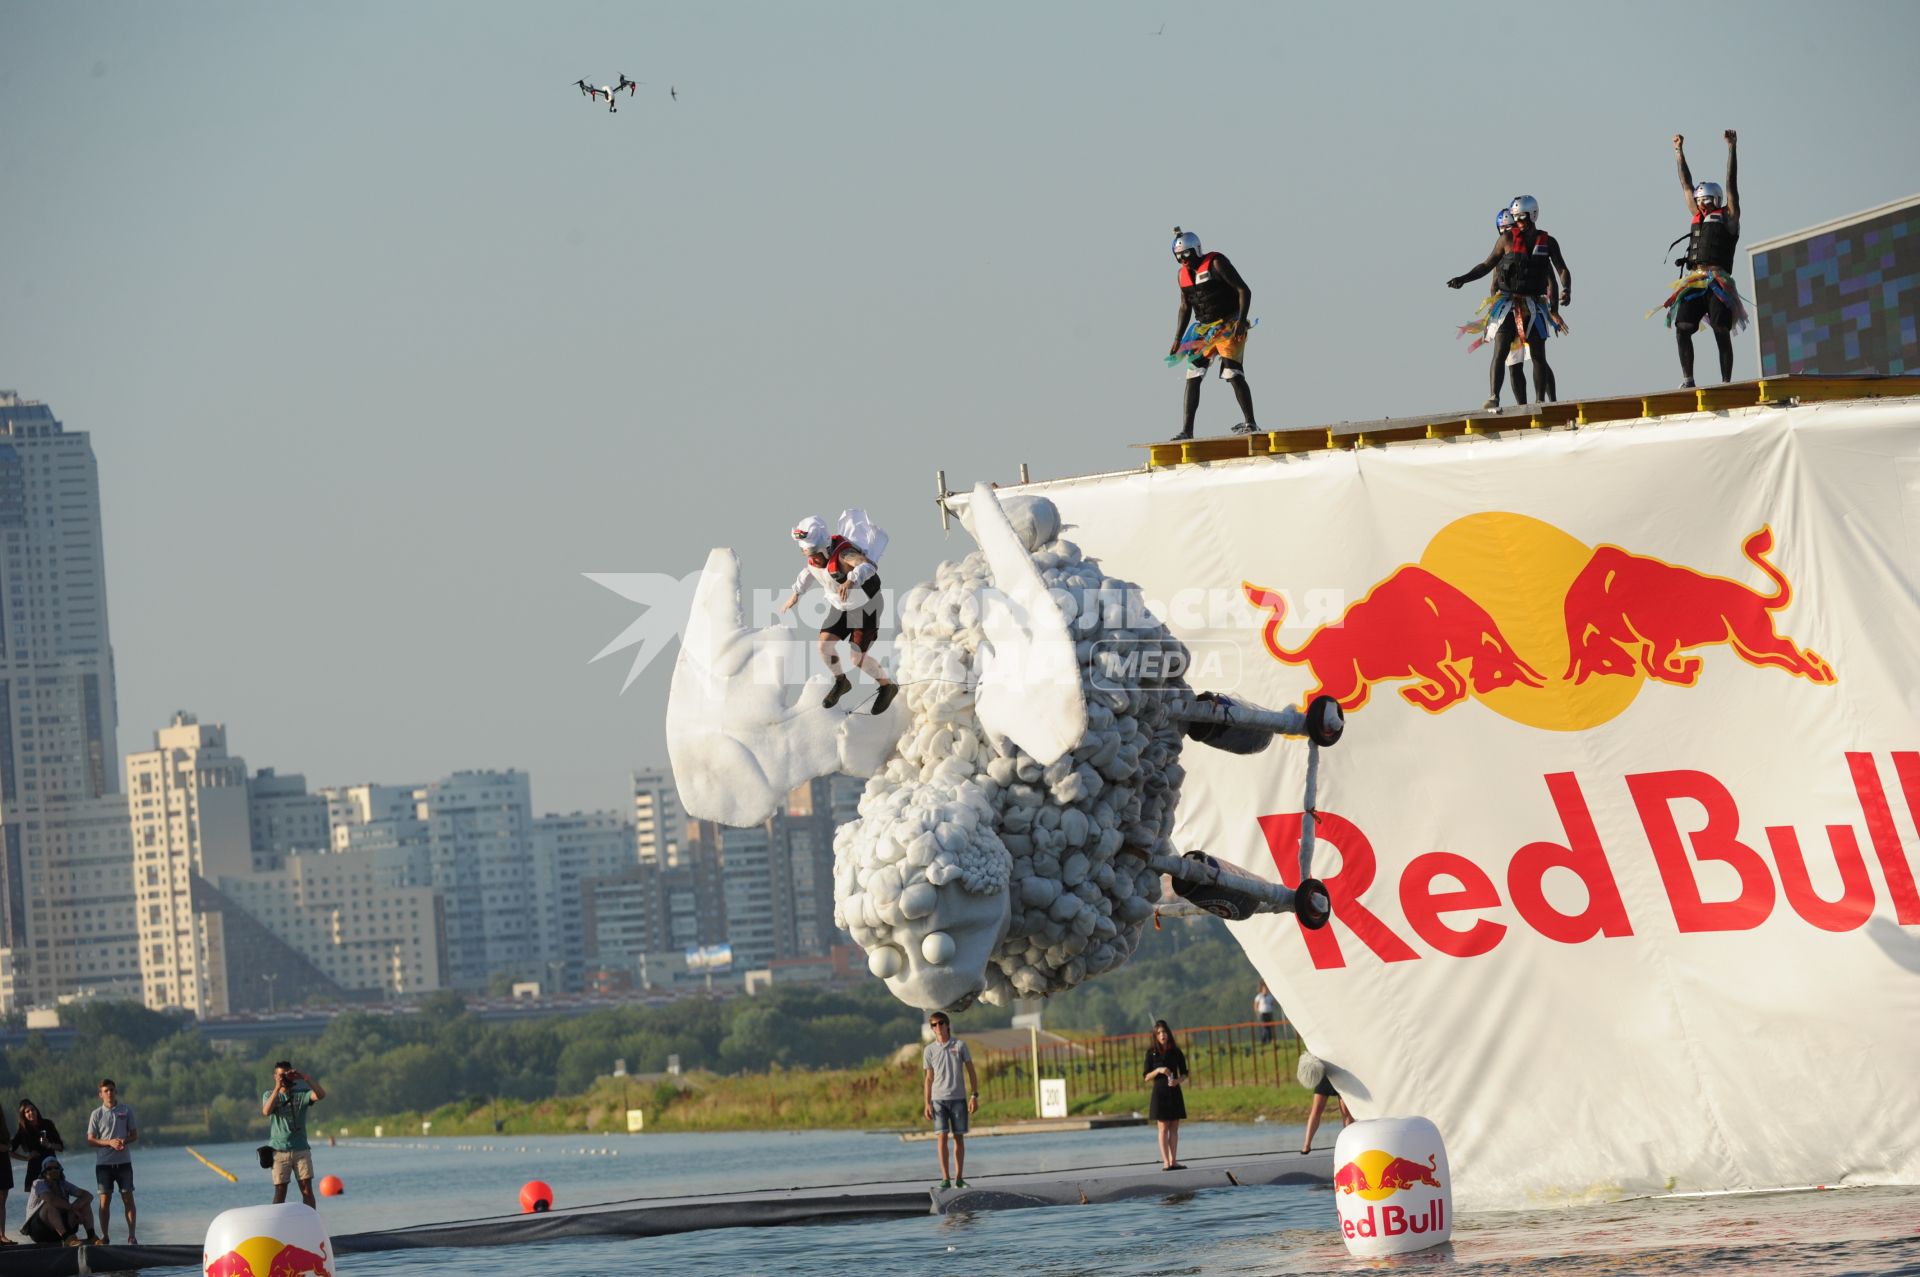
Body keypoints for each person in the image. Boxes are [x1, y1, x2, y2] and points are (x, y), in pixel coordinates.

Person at [1448, 196, 1572, 409]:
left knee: (1538, 354)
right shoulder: (1506, 240)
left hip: (1534, 305)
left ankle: (1541, 401)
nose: (1518, 223)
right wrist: (1463, 279)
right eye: (1515, 218)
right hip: (1507, 304)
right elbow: (1486, 265)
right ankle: (1494, 395)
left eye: (1522, 218)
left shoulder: (1548, 242)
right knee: (1501, 348)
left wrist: (1566, 290)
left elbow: (1561, 269)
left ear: (1533, 215)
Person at [782, 512, 897, 715]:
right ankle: (841, 682)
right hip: (841, 606)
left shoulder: (845, 555)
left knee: (856, 657)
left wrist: (851, 579)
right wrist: (796, 594)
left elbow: (868, 565)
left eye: (816, 554)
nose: (814, 560)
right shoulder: (814, 561)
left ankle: (887, 686)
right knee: (824, 646)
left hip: (865, 606)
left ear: (826, 548)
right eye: (809, 555)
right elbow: (808, 573)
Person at [1661, 130, 1745, 388]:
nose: (1703, 206)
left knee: (1721, 330)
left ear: (1716, 201)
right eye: (1700, 202)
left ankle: (1726, 382)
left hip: (1719, 281)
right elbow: (1685, 184)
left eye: (1707, 201)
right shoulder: (1696, 213)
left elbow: (1732, 187)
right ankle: (1688, 379)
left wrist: (1732, 149)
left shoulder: (1729, 218)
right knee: (1682, 325)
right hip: (1695, 281)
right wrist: (1678, 152)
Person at [1167, 227, 1259, 440]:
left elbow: (1244, 290)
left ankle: (1250, 422)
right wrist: (1177, 338)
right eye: (1178, 257)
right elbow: (1184, 307)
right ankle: (1187, 431)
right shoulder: (1182, 276)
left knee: (1232, 372)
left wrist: (1241, 320)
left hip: (1229, 324)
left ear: (1196, 250)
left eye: (1186, 255)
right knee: (1193, 374)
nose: (1184, 260)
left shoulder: (1217, 263)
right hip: (1203, 329)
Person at [921, 1011, 978, 1191]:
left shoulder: (959, 1045)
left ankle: (959, 1178)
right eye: (934, 1025)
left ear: (947, 1025)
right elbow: (928, 1078)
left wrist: (974, 1096)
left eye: (940, 1023)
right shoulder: (929, 1050)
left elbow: (971, 1071)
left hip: (958, 1098)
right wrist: (927, 1103)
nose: (937, 1027)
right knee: (942, 1137)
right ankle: (945, 1178)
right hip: (938, 1100)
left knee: (958, 1138)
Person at [261, 1062, 327, 1208]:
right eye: (280, 1075)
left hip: (301, 1149)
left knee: (307, 1190)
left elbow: (321, 1095)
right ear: (275, 1077)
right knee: (280, 1191)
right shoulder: (269, 1095)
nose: (284, 1078)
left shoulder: (301, 1094)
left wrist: (306, 1077)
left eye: (286, 1074)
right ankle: (275, 1228)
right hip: (279, 1151)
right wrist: (278, 1088)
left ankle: (311, 1225)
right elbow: (266, 1112)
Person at [85, 1079, 137, 1246]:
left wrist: (124, 1140)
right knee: (104, 1201)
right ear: (100, 1094)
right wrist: (109, 1142)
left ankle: (131, 1236)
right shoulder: (96, 1114)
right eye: (106, 1090)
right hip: (104, 1166)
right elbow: (91, 1140)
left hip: (124, 1164)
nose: (109, 1093)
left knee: (128, 1199)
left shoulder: (126, 1110)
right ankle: (105, 1236)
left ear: (116, 1092)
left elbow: (134, 1135)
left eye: (112, 1090)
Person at [1143, 1019, 1189, 1171]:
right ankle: (1166, 1162)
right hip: (1160, 1093)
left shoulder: (1176, 1051)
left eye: (1164, 1032)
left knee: (1174, 1127)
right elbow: (1146, 1077)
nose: (1162, 1035)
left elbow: (1184, 1073)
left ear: (1168, 1033)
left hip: (1174, 1091)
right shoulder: (1151, 1053)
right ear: (1155, 1036)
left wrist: (1177, 1081)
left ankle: (1174, 1160)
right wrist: (1158, 1070)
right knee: (1163, 1128)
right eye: (1159, 1033)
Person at [21, 1157, 96, 1248]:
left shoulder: (64, 1184)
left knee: (85, 1203)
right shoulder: (38, 1183)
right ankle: (67, 1238)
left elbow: (88, 1195)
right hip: (40, 1230)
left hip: (60, 1229)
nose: (53, 1170)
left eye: (56, 1168)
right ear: (44, 1172)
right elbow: (51, 1199)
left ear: (60, 1170)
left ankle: (92, 1236)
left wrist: (75, 1207)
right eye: (49, 1168)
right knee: (49, 1205)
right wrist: (73, 1209)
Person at [12, 1098, 65, 1203]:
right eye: (27, 1112)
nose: (31, 1112)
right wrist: (26, 1158)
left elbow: (60, 1147)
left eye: (32, 1109)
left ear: (36, 1110)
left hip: (51, 1167)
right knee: (36, 1202)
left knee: (56, 1199)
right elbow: (9, 1151)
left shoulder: (47, 1124)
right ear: (24, 1115)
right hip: (34, 1169)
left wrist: (49, 1144)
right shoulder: (23, 1130)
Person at [1299, 1051, 1353, 1154]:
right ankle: (1307, 1144)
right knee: (1316, 1109)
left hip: (1342, 1072)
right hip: (1325, 1072)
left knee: (1346, 1111)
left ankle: (1348, 1142)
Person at [1253, 981, 1279, 1046]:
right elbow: (1256, 1006)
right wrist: (1257, 1013)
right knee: (1265, 1027)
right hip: (1262, 1014)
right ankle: (1264, 1040)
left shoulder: (1270, 996)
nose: (1265, 990)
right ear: (1262, 989)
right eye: (1264, 989)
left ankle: (1269, 1040)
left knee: (1269, 1027)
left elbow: (1273, 1004)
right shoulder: (1259, 996)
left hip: (1269, 1013)